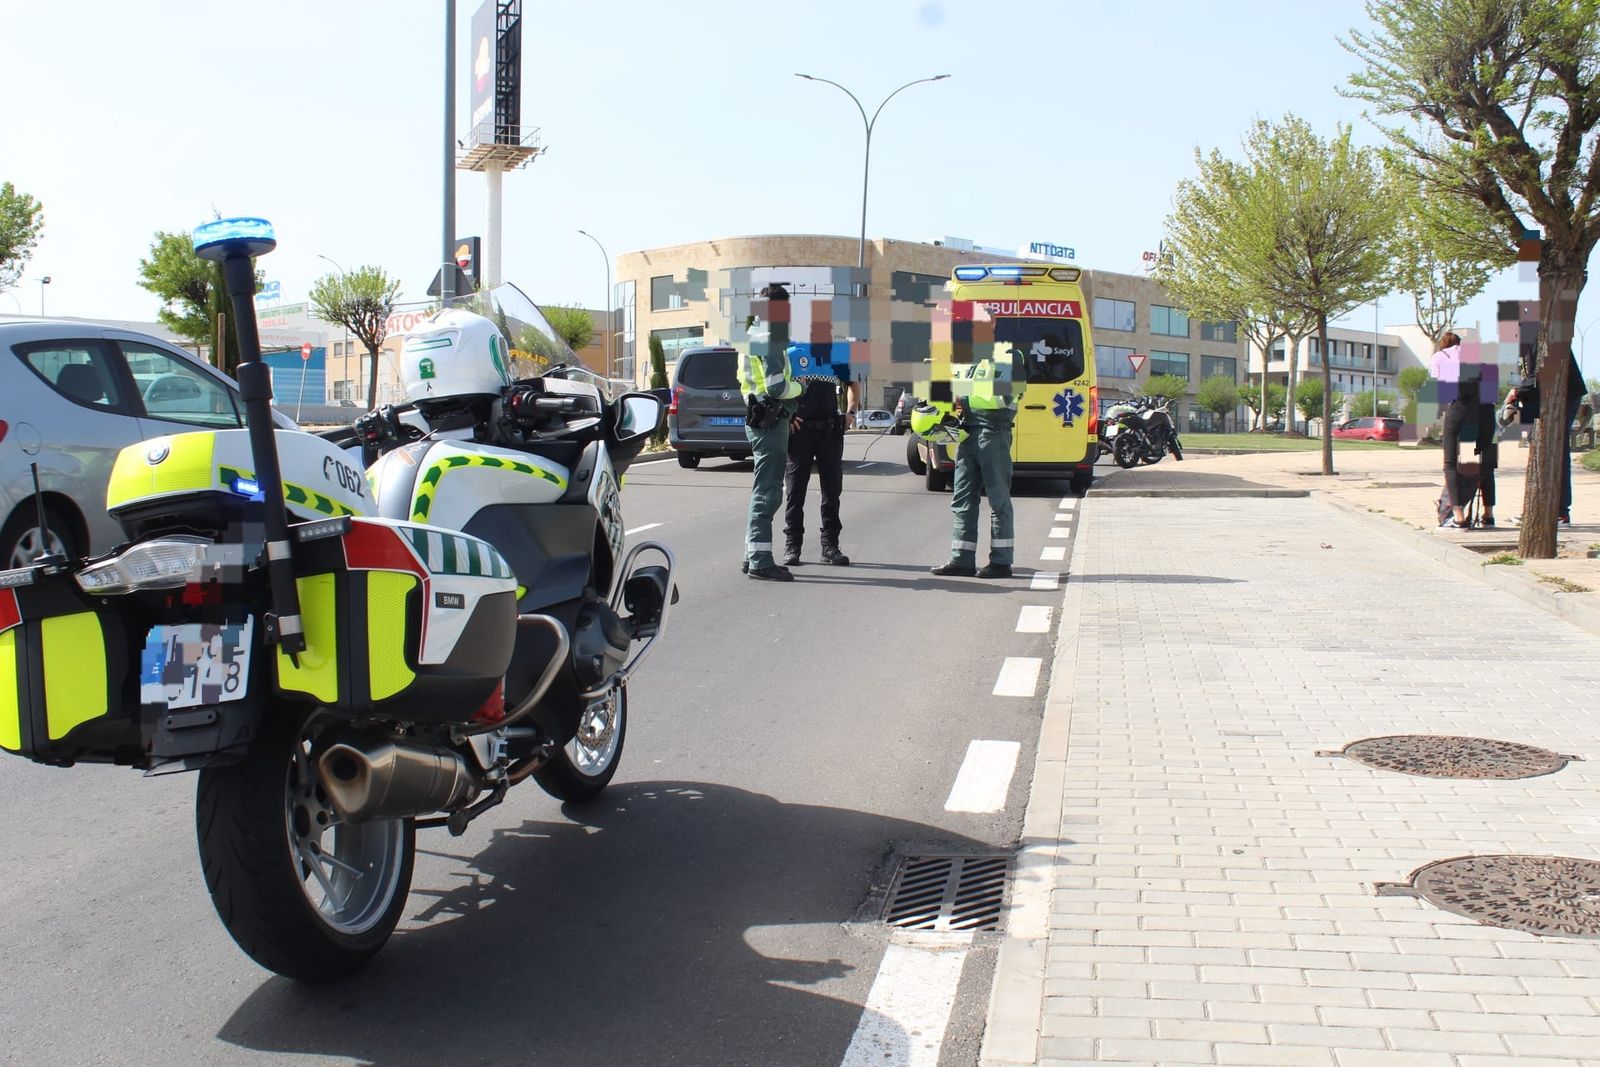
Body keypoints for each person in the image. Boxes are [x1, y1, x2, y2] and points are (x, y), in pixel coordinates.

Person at [929, 343, 1026, 578]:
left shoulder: (1010, 356)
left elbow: (1004, 397)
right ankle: (961, 560)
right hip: (968, 433)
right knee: (962, 498)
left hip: (994, 433)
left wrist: (965, 400)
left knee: (998, 499)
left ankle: (1002, 563)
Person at [739, 285, 803, 581]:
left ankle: (751, 555)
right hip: (770, 421)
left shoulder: (752, 335)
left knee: (760, 488)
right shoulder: (771, 336)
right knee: (768, 491)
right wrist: (802, 387)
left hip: (759, 418)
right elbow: (778, 387)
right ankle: (761, 561)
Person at [782, 343, 860, 567]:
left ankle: (830, 546)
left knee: (832, 491)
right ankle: (793, 545)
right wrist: (787, 415)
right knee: (795, 491)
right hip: (800, 433)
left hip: (830, 432)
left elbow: (853, 384)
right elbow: (779, 387)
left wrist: (851, 412)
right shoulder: (792, 354)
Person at [1432, 332, 1498, 529]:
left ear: (1443, 345)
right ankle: (1488, 515)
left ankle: (1458, 516)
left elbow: (1443, 392)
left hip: (1460, 409)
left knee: (1451, 464)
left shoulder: (1440, 357)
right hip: (1486, 411)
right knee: (1486, 463)